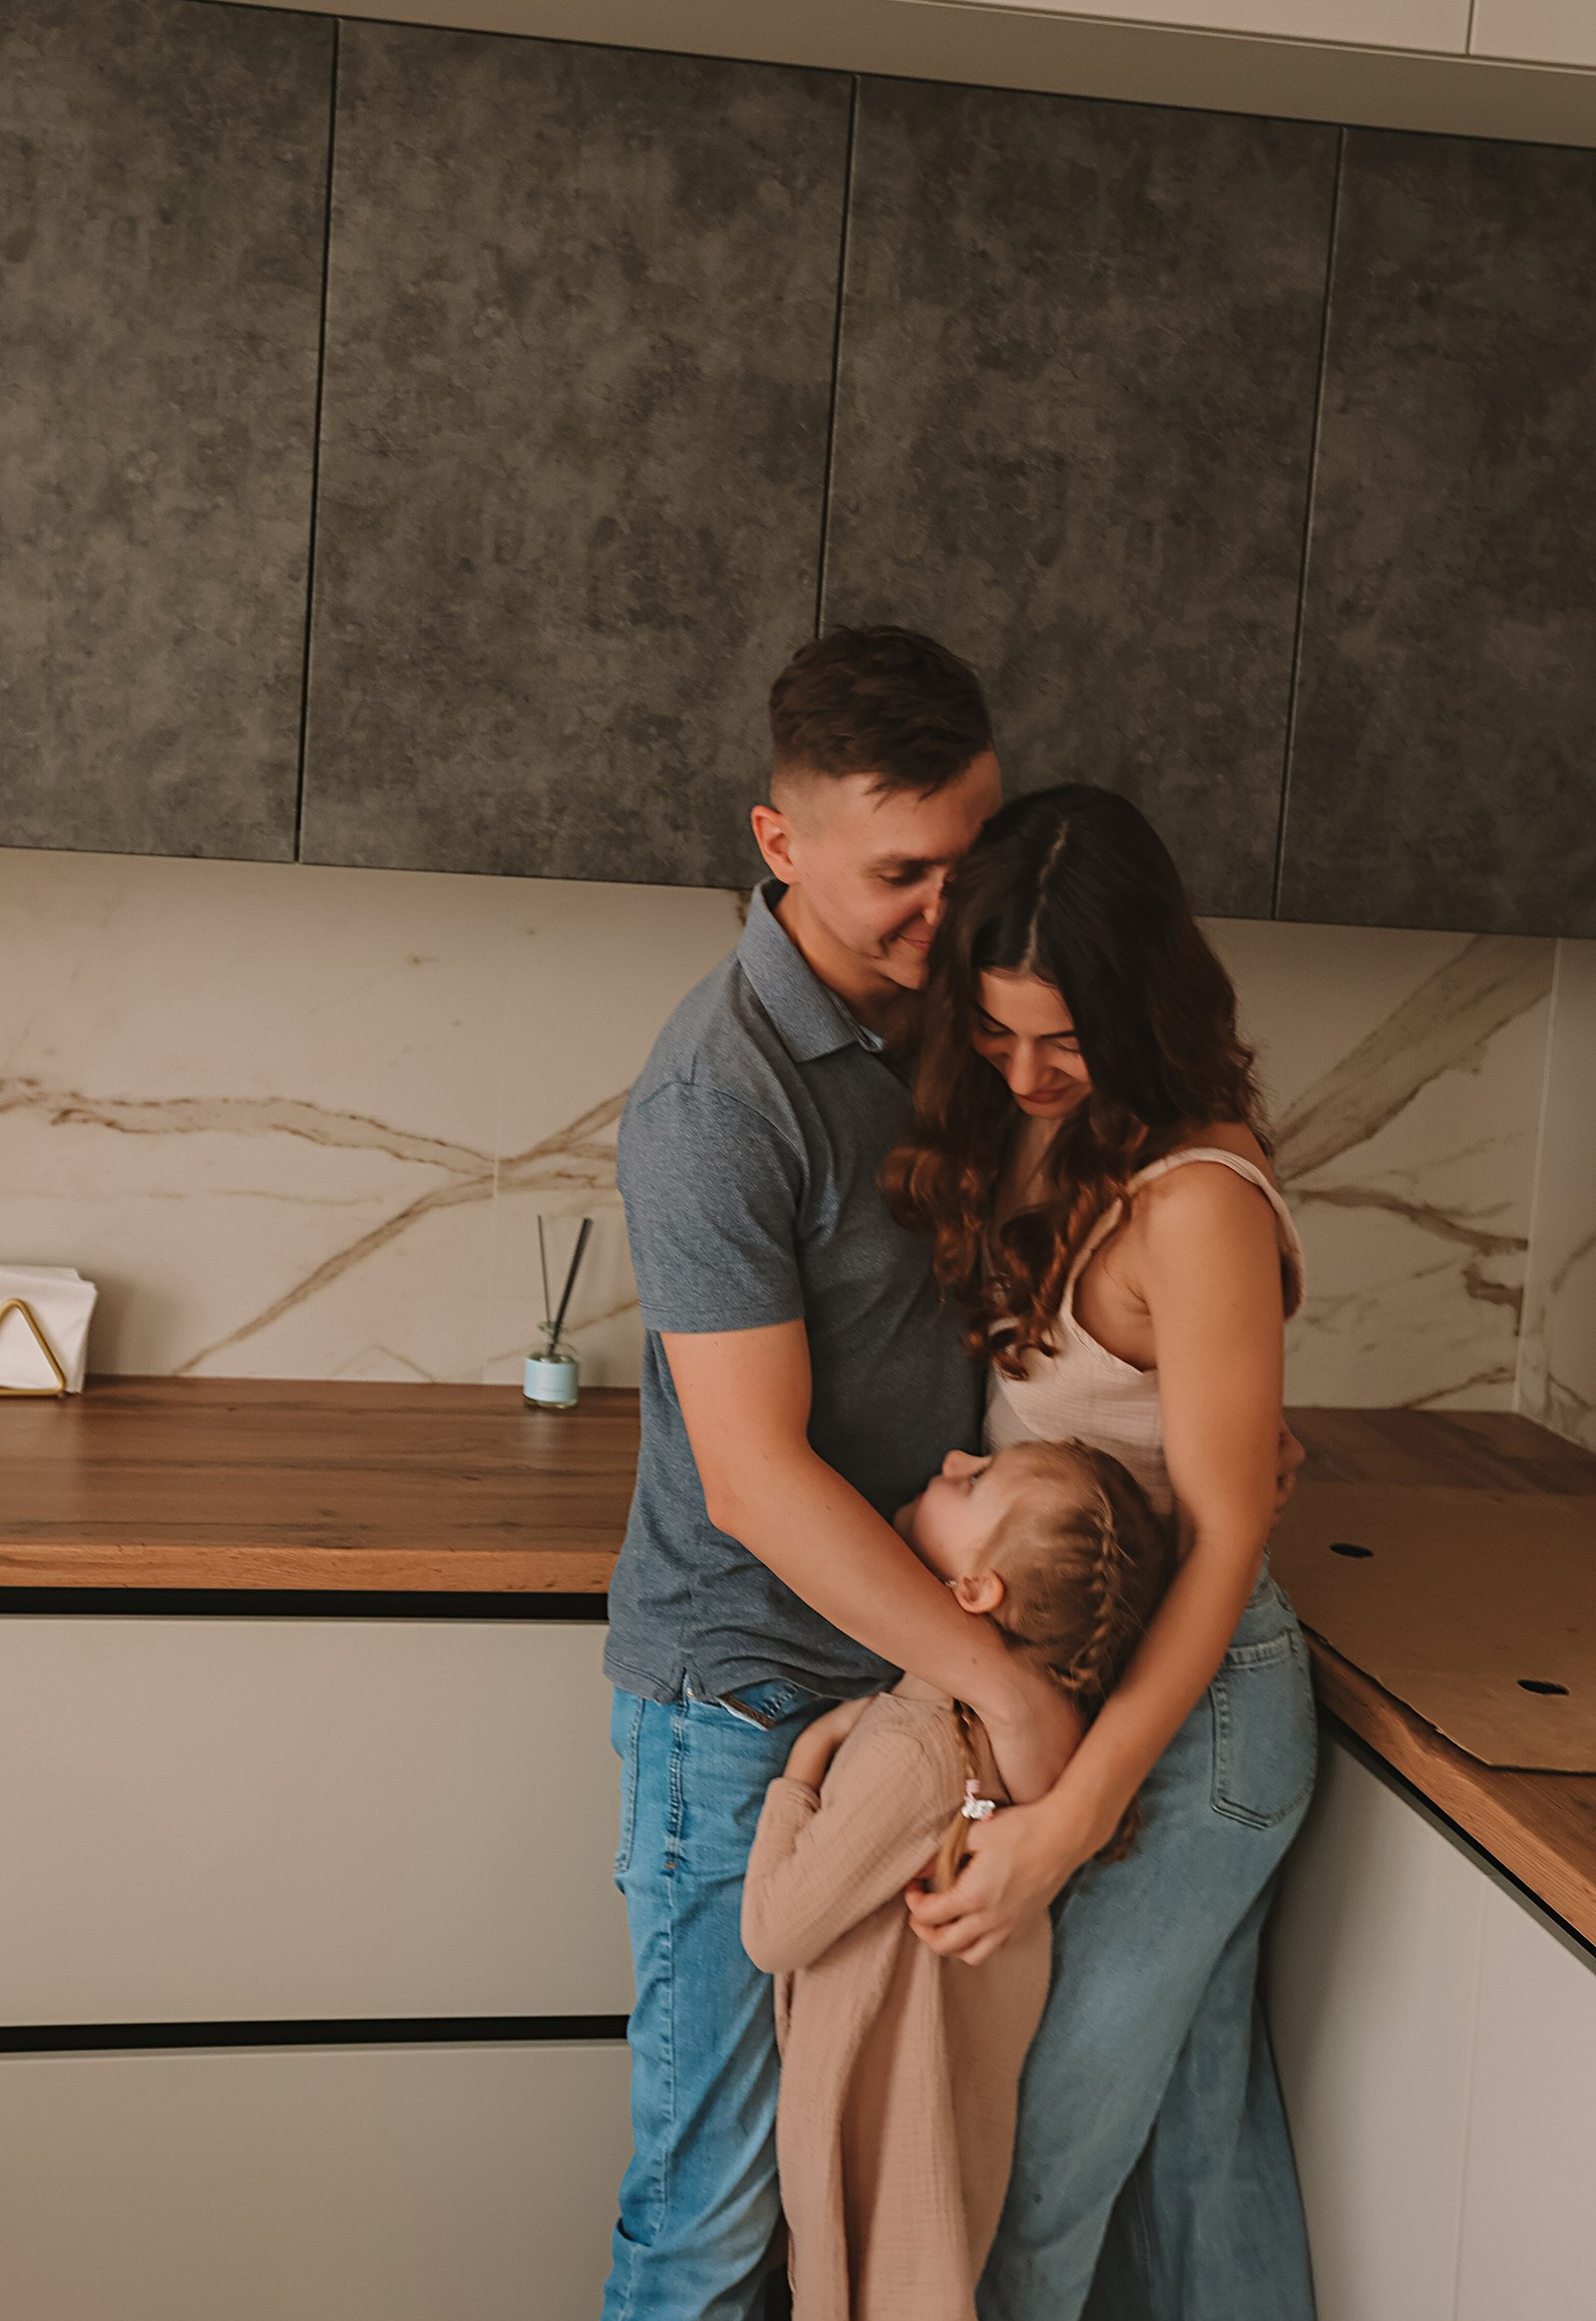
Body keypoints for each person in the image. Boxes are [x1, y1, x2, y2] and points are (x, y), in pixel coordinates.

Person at [600, 628, 1077, 2321]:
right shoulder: (716, 1098)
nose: (952, 909)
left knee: (854, 2198)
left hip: (899, 1694)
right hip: (743, 1708)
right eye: (903, 875)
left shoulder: (967, 1026)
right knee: (714, 2214)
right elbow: (753, 1480)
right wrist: (1004, 1689)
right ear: (779, 842)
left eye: (973, 857)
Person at [885, 783, 1320, 2321]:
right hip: (1113, 1694)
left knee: (1027, 2181)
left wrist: (1070, 1820)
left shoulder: (1191, 1201)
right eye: (995, 1032)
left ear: (1141, 1008)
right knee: (1195, 2157)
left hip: (1196, 1728)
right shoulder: (1041, 1132)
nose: (1025, 1074)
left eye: (1062, 1040)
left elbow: (1226, 1535)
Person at [741, 1436, 1176, 2321]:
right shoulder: (1021, 1758)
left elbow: (773, 1932)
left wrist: (804, 1762)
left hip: (870, 2155)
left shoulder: (917, 1750)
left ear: (977, 1591)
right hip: (939, 2160)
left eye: (972, 1481)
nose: (949, 1458)